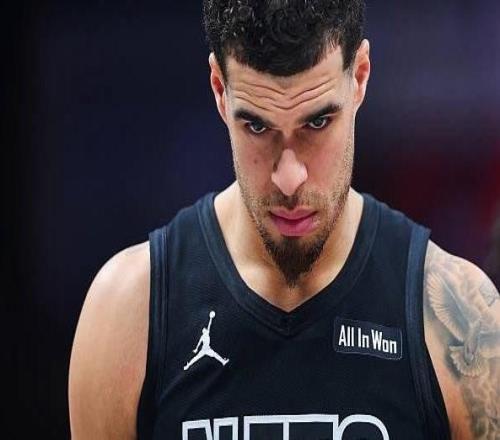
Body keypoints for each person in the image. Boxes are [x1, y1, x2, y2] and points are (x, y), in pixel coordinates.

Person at [68, 1, 500, 439]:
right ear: (220, 89)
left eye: (317, 122)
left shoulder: (461, 326)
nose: (289, 178)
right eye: (258, 127)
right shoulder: (127, 312)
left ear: (359, 77)